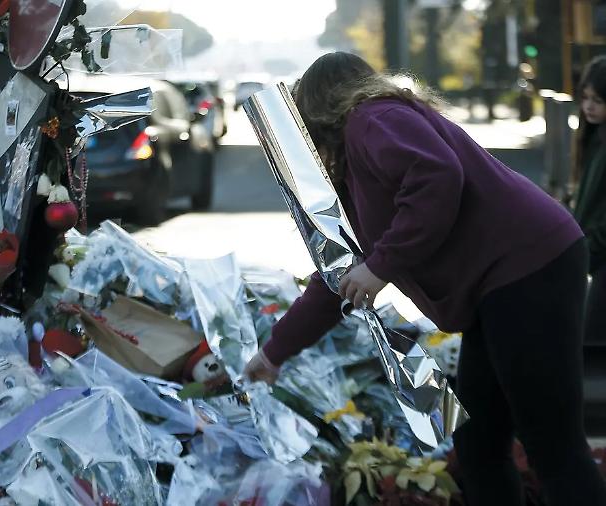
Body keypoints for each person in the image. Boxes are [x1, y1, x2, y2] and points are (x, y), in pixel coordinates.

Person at [242, 52, 606, 506]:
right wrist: (274, 353)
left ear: (315, 107)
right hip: (500, 286)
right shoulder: (358, 164)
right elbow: (337, 276)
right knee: (478, 444)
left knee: (551, 442)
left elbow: (435, 175)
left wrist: (381, 265)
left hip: (529, 268)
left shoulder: (372, 118)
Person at [573, 55, 606, 344]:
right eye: (585, 98)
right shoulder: (593, 137)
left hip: (599, 251)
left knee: (593, 339)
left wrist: (589, 245)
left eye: (598, 99)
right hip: (593, 252)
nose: (589, 106)